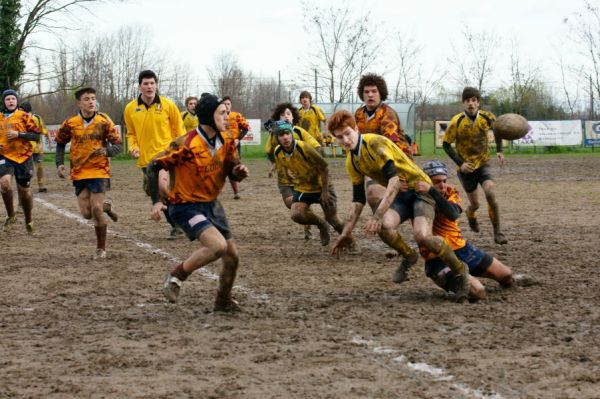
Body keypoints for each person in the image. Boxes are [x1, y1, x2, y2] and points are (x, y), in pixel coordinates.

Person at [327, 110, 471, 303]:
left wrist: (376, 215)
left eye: (347, 133)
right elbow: (358, 200)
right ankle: (409, 256)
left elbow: (394, 181)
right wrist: (346, 232)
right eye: (339, 137)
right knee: (384, 227)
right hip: (402, 195)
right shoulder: (351, 161)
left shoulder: (374, 143)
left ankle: (460, 269)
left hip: (421, 191)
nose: (345, 140)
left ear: (356, 128)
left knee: (422, 236)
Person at [147, 93, 249, 311]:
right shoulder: (187, 144)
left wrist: (238, 172)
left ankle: (223, 301)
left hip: (212, 204)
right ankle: (176, 277)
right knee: (218, 246)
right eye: (222, 113)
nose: (227, 117)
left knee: (232, 257)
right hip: (185, 205)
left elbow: (232, 168)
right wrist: (157, 201)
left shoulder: (227, 139)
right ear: (208, 117)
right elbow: (153, 166)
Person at [415, 160, 513, 300]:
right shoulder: (417, 198)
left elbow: (453, 213)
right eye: (436, 182)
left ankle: (469, 276)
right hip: (437, 258)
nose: (442, 185)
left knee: (507, 275)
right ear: (425, 181)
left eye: (444, 180)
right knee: (478, 292)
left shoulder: (450, 192)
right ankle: (446, 277)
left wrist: (432, 190)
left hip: (462, 249)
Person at [354, 73, 417, 269]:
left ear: (381, 93)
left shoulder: (387, 114)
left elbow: (389, 146)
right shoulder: (359, 114)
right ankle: (387, 229)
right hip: (376, 166)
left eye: (374, 91)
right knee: (373, 195)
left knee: (414, 202)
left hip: (399, 163)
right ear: (362, 95)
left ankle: (424, 238)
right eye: (366, 92)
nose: (370, 95)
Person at [55, 87, 121, 259]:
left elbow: (118, 145)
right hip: (78, 171)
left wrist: (107, 152)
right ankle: (107, 207)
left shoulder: (104, 121)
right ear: (79, 102)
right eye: (86, 99)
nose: (91, 101)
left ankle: (101, 248)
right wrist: (59, 164)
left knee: (96, 209)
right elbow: (60, 143)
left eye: (93, 98)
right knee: (86, 213)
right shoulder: (70, 123)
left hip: (99, 170)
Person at [272, 120, 358, 251]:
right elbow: (284, 168)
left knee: (333, 219)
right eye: (281, 135)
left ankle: (351, 243)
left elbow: (324, 167)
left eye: (287, 133)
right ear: (277, 138)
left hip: (322, 186)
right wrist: (290, 178)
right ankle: (321, 224)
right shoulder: (278, 152)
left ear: (291, 134)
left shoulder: (304, 148)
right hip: (304, 188)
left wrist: (324, 191)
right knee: (296, 214)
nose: (285, 137)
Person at [124, 69, 185, 239]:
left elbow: (179, 131)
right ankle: (175, 225)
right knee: (157, 193)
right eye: (146, 84)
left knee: (163, 188)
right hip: (145, 160)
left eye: (152, 83)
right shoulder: (130, 108)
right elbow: (130, 133)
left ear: (156, 85)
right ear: (139, 87)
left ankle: (179, 221)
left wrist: (178, 151)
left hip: (166, 157)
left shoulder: (168, 105)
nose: (149, 86)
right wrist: (133, 147)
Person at [442, 87, 507, 244]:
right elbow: (446, 145)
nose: (471, 104)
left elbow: (497, 131)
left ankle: (498, 232)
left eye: (474, 100)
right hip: (466, 169)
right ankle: (471, 215)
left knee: (490, 193)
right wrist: (461, 163)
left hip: (483, 163)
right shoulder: (457, 121)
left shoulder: (487, 117)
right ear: (463, 103)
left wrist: (499, 150)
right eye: (467, 101)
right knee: (475, 204)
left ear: (478, 102)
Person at [265, 102, 321, 240]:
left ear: (293, 117)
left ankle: (311, 226)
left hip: (302, 176)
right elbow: (269, 151)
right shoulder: (274, 135)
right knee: (290, 203)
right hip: (285, 177)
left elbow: (316, 147)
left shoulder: (299, 132)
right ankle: (312, 219)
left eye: (288, 114)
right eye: (282, 114)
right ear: (278, 118)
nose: (285, 116)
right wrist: (273, 165)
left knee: (299, 204)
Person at [0, 89, 41, 234]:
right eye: (7, 99)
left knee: (25, 192)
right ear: (4, 102)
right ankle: (11, 215)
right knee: (4, 183)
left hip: (23, 157)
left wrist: (19, 134)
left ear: (16, 101)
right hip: (4, 157)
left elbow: (36, 136)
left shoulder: (24, 116)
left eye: (13, 98)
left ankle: (29, 220)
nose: (10, 101)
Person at [222, 96, 250, 200]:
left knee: (232, 168)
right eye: (224, 104)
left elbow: (246, 128)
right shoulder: (218, 117)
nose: (226, 106)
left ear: (231, 105)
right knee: (219, 168)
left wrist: (238, 138)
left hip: (234, 147)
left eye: (228, 104)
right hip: (221, 146)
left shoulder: (236, 116)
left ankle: (236, 192)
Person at [20, 101, 49, 193]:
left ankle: (41, 186)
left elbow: (43, 129)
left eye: (21, 110)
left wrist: (48, 139)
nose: (19, 111)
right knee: (28, 169)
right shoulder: (20, 119)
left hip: (37, 148)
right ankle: (27, 185)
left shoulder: (37, 118)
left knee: (39, 167)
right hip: (26, 148)